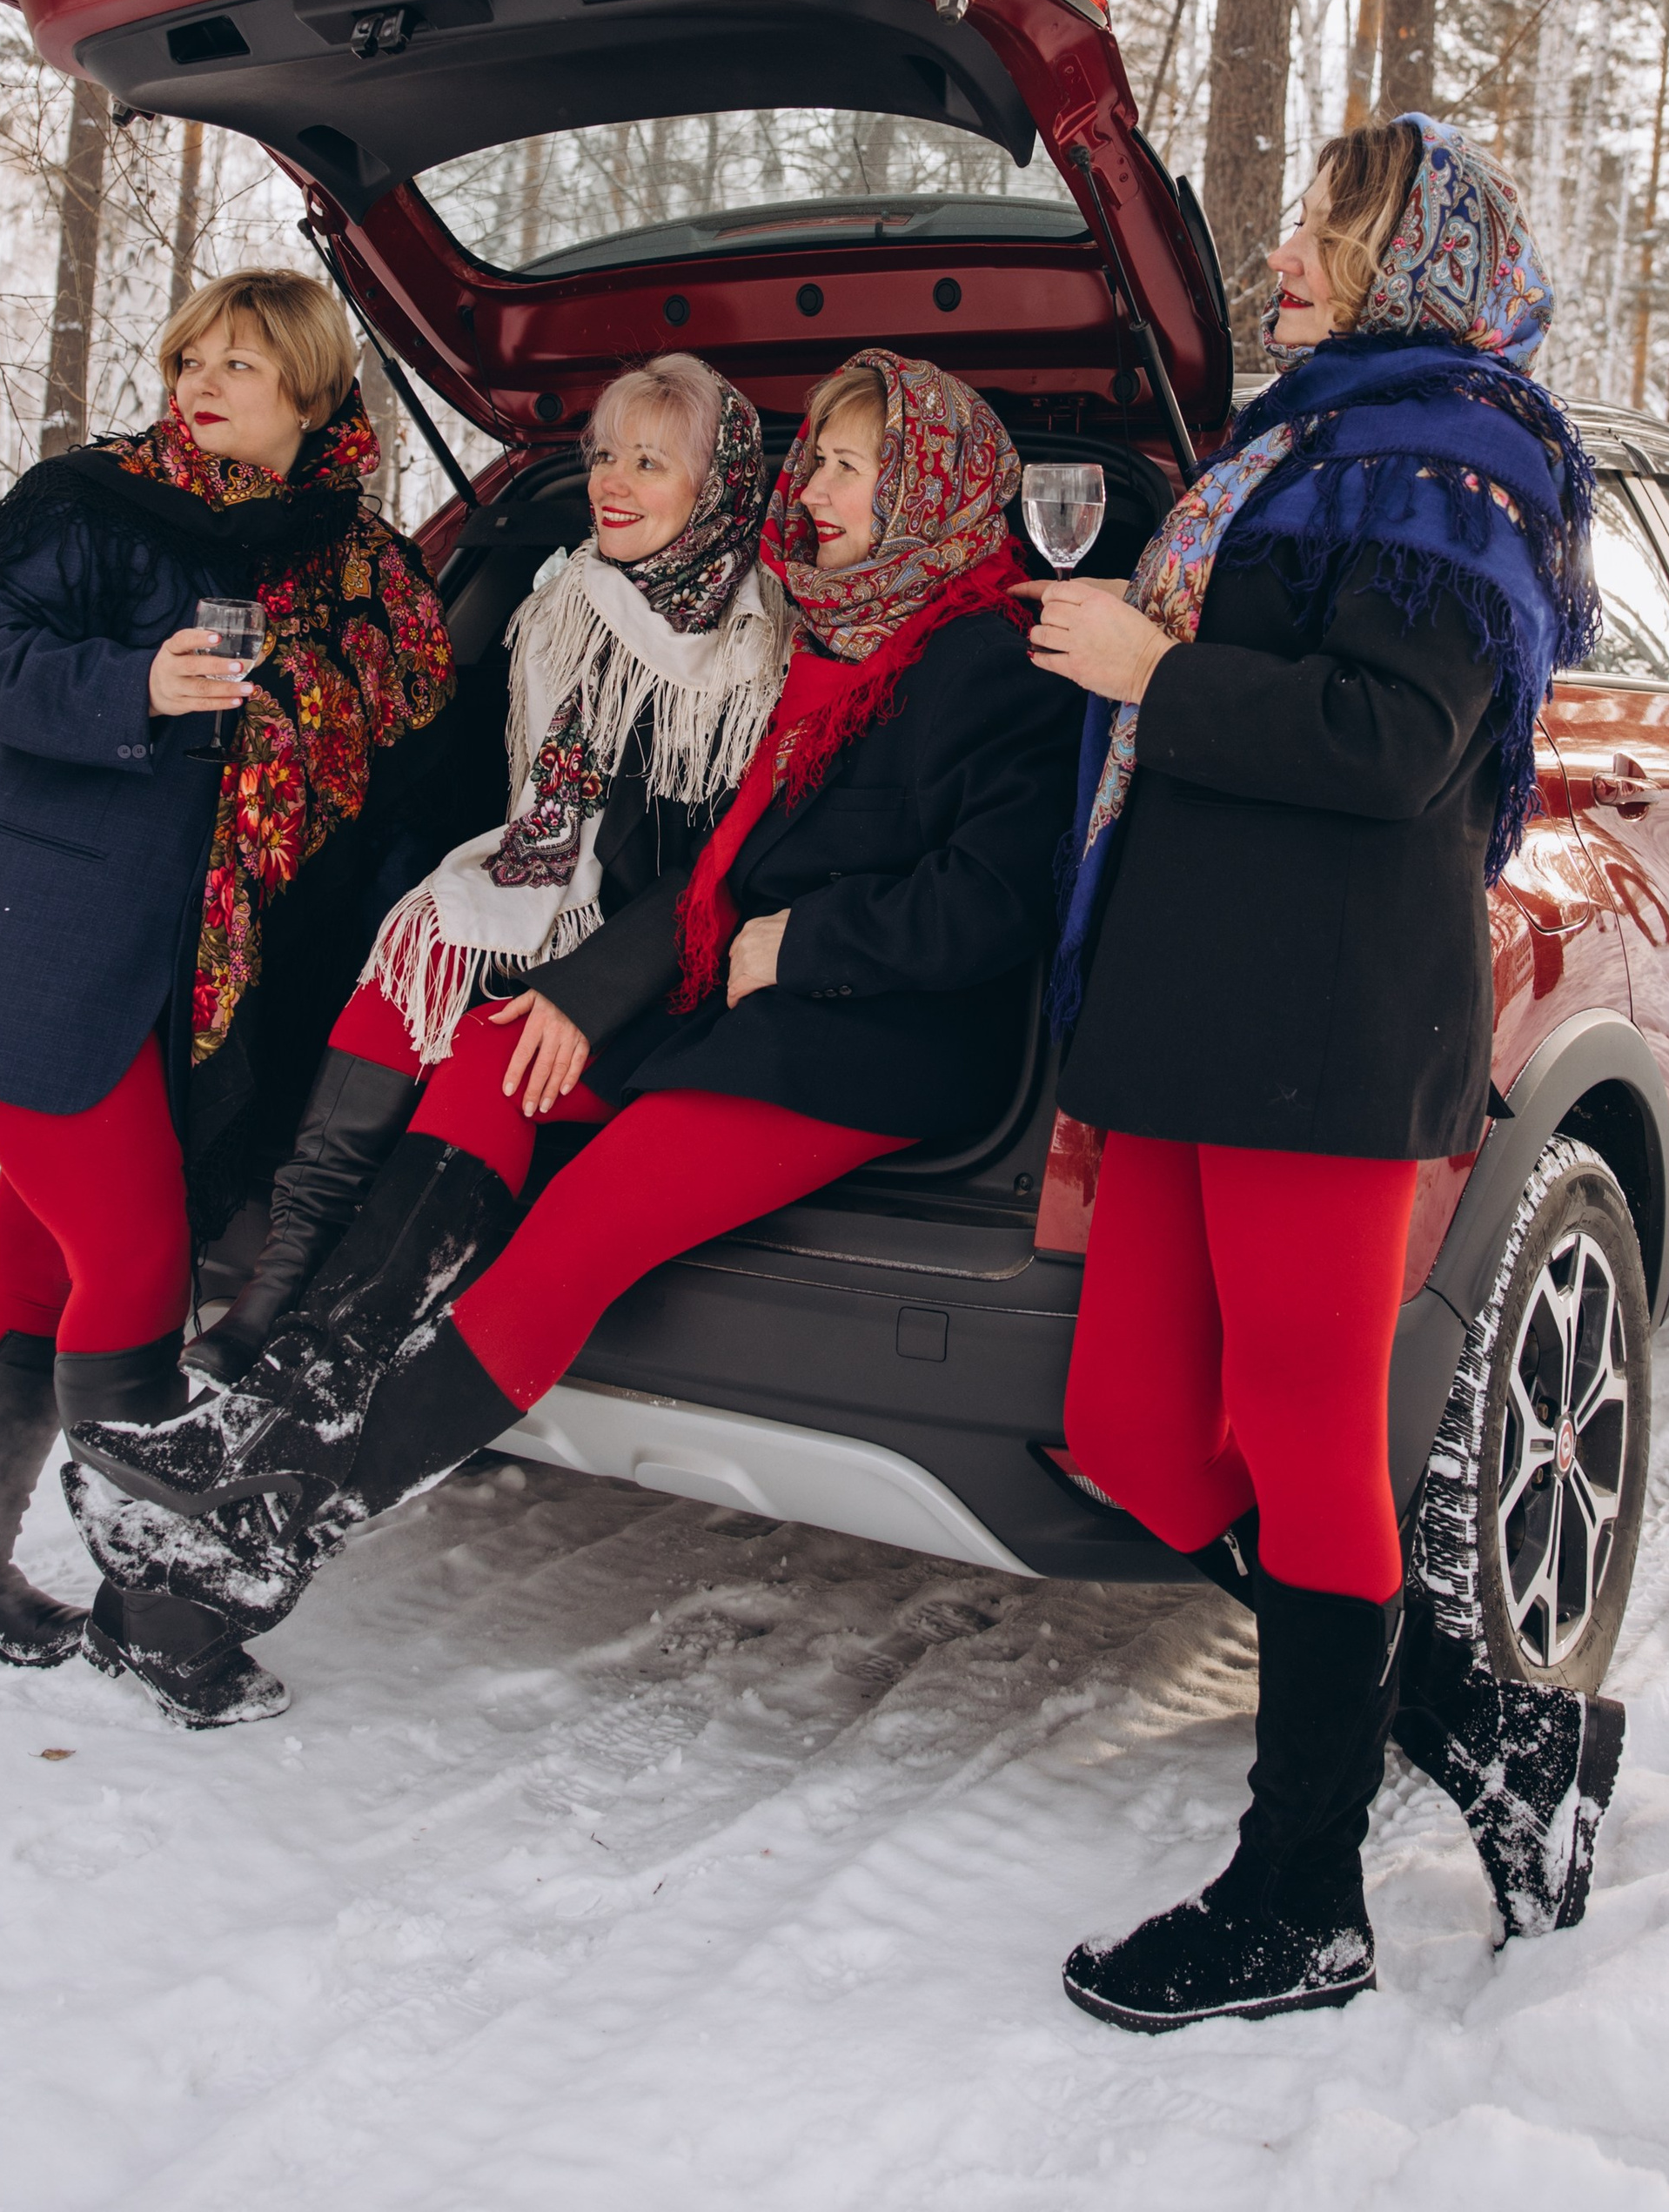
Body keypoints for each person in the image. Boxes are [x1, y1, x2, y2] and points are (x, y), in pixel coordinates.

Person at [60, 348, 1080, 1719]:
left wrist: (795, 944)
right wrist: (590, 992)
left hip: (869, 1044)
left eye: (848, 464)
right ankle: (293, 1391)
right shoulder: (834, 636)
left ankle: (273, 1513)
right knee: (491, 1050)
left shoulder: (994, 654)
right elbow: (717, 861)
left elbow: (996, 901)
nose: (814, 486)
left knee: (578, 1235)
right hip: (742, 1009)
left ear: (931, 488)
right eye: (818, 458)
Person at [1023, 117, 1622, 2032]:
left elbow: (1388, 741)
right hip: (1205, 1000)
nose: (1283, 256)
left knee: (1304, 1445)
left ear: (1414, 263)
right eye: (1294, 224)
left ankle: (1303, 1894)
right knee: (1130, 1425)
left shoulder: (1453, 456)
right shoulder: (1308, 435)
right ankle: (1492, 1732)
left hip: (1330, 1010)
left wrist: (1148, 669)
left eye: (1325, 230)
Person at [0, 270, 456, 1722]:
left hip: (185, 970)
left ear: (310, 397)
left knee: (38, 1263)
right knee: (132, 1259)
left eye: (243, 365)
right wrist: (137, 686)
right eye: (193, 356)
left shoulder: (348, 556)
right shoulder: (92, 504)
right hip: (30, 935)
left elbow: (413, 696)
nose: (202, 382)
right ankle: (155, 1607)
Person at [183, 352, 786, 1389]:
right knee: (409, 955)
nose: (609, 482)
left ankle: (342, 1322)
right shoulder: (561, 605)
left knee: (474, 1031)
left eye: (649, 462)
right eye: (604, 455)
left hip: (659, 964)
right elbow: (460, 759)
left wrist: (580, 989)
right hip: (543, 896)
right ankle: (277, 1286)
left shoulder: (759, 652)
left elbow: (724, 874)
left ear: (717, 487)